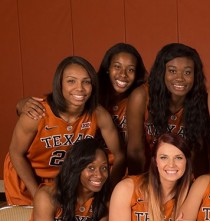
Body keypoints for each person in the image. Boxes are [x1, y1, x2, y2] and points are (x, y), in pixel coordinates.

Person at [4, 56, 124, 205]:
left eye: (86, 82)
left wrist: (108, 191)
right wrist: (37, 194)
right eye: (71, 81)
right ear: (59, 84)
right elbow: (16, 153)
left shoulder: (98, 114)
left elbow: (118, 155)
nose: (80, 88)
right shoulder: (36, 114)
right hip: (29, 176)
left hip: (66, 179)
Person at [126, 43, 210, 176]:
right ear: (162, 73)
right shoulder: (141, 97)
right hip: (149, 176)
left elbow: (198, 155)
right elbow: (135, 152)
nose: (180, 78)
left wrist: (198, 189)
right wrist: (139, 189)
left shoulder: (201, 101)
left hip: (183, 177)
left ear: (195, 76)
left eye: (187, 72)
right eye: (172, 71)